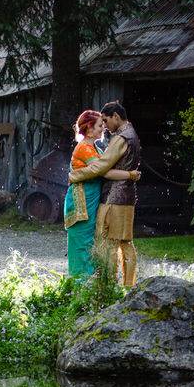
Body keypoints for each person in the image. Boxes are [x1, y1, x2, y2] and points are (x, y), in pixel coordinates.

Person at [69, 102, 141, 287]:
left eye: (105, 122)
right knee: (121, 241)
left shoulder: (120, 138)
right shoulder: (131, 135)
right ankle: (125, 285)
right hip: (123, 194)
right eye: (101, 125)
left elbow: (103, 169)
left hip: (115, 196)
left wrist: (74, 175)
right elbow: (104, 169)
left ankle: (108, 285)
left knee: (109, 242)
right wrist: (130, 175)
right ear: (89, 128)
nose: (105, 127)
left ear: (116, 116)